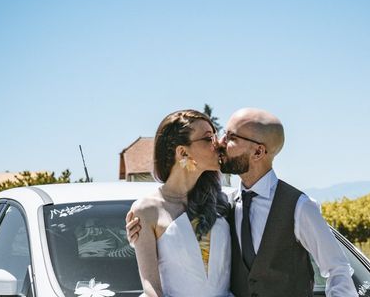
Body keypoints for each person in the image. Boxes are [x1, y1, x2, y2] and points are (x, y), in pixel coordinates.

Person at [128, 108, 357, 297]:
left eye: (231, 137)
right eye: (217, 136)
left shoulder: (298, 206)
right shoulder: (227, 204)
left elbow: (338, 269)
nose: (219, 143)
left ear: (258, 152)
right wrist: (143, 239)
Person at [129, 109, 232, 297]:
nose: (217, 144)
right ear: (183, 152)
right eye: (208, 139)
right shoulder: (146, 210)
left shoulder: (224, 202)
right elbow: (150, 284)